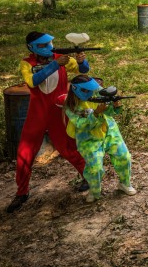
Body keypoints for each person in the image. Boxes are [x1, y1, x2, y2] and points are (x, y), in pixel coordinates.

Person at [7, 31, 91, 213]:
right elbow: (32, 82)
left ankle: (88, 177)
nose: (49, 48)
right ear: (32, 48)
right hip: (36, 113)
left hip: (57, 111)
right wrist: (54, 65)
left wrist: (82, 60)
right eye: (44, 45)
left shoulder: (61, 58)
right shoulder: (27, 63)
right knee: (25, 152)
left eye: (50, 44)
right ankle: (22, 192)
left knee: (68, 146)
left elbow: (82, 71)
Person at [64, 75, 136, 202]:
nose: (93, 92)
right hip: (88, 138)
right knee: (95, 167)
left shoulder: (98, 91)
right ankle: (94, 190)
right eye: (88, 90)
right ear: (78, 90)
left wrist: (116, 106)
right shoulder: (71, 106)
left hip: (109, 130)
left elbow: (111, 112)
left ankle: (124, 183)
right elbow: (81, 124)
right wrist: (96, 113)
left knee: (124, 156)